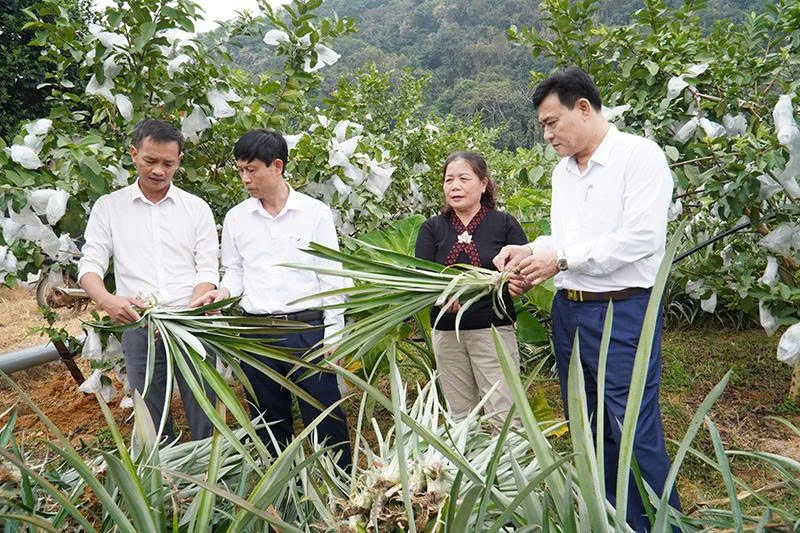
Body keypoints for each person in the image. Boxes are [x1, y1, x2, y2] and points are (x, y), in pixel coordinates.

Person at [493, 67, 679, 531]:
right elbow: (567, 239)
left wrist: (560, 259)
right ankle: (613, 518)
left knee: (630, 424)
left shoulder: (638, 157)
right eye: (542, 125)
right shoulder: (563, 173)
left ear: (583, 107)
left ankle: (660, 523)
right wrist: (532, 252)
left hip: (623, 309)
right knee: (589, 425)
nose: (547, 133)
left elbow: (638, 240)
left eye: (552, 122)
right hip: (570, 311)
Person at [190, 129, 352, 469]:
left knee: (325, 417)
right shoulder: (237, 218)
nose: (245, 179)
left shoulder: (314, 213)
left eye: (251, 170)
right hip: (257, 332)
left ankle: (341, 491)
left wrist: (334, 333)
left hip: (307, 330)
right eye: (240, 171)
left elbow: (332, 274)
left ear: (277, 166)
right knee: (268, 423)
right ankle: (281, 497)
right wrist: (222, 292)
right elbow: (235, 272)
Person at [78, 119, 219, 441]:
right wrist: (108, 301)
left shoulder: (195, 209)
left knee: (204, 406)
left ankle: (209, 479)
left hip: (190, 324)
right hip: (140, 325)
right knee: (150, 411)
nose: (159, 170)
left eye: (168, 163)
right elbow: (90, 266)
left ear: (178, 161)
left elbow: (207, 267)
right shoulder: (110, 208)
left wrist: (197, 302)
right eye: (150, 160)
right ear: (133, 154)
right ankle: (163, 482)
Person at [414, 151, 528, 426]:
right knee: (462, 415)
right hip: (447, 333)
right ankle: (469, 466)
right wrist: (441, 297)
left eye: (464, 178)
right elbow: (422, 278)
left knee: (504, 413)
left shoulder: (504, 224)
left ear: (483, 183)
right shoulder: (432, 229)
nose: (454, 186)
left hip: (493, 329)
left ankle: (510, 467)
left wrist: (518, 283)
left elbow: (524, 267)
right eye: (448, 180)